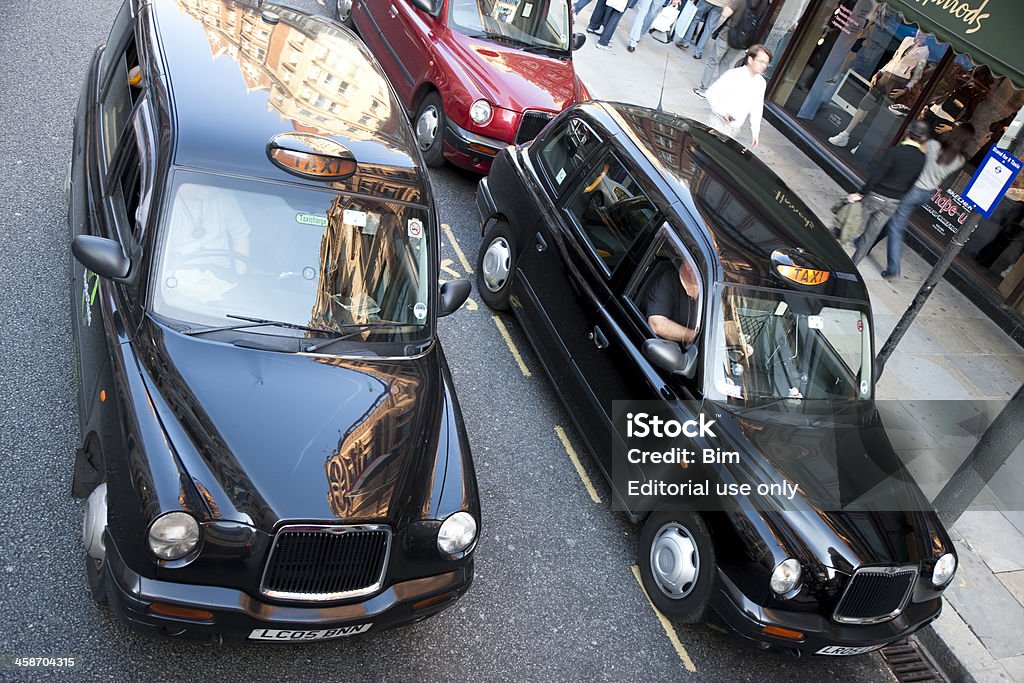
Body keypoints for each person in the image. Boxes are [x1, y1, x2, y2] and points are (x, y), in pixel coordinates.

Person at [871, 123, 975, 278]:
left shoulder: (933, 145)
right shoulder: (959, 161)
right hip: (927, 194)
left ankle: (894, 269)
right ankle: (865, 243)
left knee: (896, 226)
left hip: (913, 188)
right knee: (894, 220)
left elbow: (915, 155)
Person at [848, 121, 930, 271]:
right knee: (869, 237)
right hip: (893, 202)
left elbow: (877, 174)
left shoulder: (895, 151)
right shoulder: (922, 159)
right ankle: (853, 267)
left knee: (849, 223)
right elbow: (912, 182)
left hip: (876, 195)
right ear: (923, 138)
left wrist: (861, 193)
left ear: (908, 131)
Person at [828, 30, 930, 148]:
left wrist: (906, 89)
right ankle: (845, 134)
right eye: (919, 31)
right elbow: (894, 59)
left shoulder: (925, 52)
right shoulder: (907, 39)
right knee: (864, 104)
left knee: (879, 115)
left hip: (897, 82)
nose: (920, 35)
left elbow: (917, 76)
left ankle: (862, 146)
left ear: (928, 37)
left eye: (924, 34)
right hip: (885, 76)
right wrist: (879, 72)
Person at [166, 182, 251, 275]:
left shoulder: (224, 195)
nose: (216, 189)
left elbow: (240, 235)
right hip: (179, 274)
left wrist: (240, 275)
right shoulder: (163, 197)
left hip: (220, 273)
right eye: (206, 183)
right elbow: (161, 253)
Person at [704, 44, 771, 148]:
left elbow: (757, 108)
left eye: (766, 63)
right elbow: (711, 93)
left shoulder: (760, 83)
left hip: (734, 128)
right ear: (750, 60)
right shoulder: (733, 75)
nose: (764, 66)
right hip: (717, 123)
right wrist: (722, 112)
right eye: (761, 61)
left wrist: (755, 132)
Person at [692, 0, 756, 99]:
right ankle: (721, 91)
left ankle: (703, 89)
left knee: (713, 62)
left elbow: (726, 13)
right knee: (725, 64)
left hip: (727, 35)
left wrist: (727, 4)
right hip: (741, 40)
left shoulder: (741, 1)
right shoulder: (760, 4)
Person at [646, 258, 700, 343]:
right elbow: (656, 324)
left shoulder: (709, 286)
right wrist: (696, 337)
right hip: (673, 352)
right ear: (689, 264)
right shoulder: (667, 281)